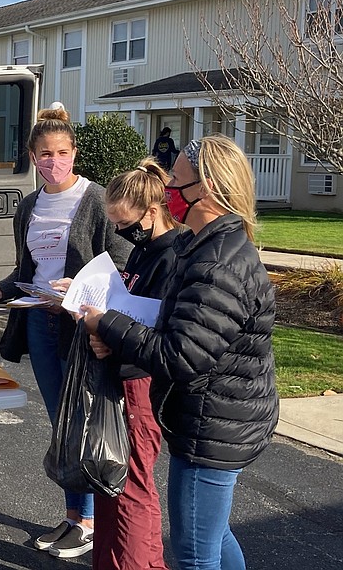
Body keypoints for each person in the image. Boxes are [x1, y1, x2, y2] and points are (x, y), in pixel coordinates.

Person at [81, 135, 279, 570]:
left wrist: (107, 324)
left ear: (205, 189)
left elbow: (181, 356)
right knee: (213, 535)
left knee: (193, 551)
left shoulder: (218, 263)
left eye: (177, 181)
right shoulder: (203, 246)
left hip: (214, 427)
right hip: (216, 416)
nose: (169, 186)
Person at [0, 104, 132, 559]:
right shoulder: (28, 206)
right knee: (61, 423)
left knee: (86, 420)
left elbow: (121, 265)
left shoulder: (98, 200)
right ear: (33, 156)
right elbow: (28, 269)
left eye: (62, 151)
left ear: (74, 153)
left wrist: (77, 291)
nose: (54, 160)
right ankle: (74, 516)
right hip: (40, 322)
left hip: (81, 327)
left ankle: (94, 522)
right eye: (45, 153)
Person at [89, 158, 180, 570]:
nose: (122, 232)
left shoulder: (172, 257)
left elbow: (160, 329)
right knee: (110, 483)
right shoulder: (144, 253)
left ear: (152, 210)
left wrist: (109, 329)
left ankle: (138, 564)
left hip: (142, 382)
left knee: (132, 489)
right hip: (124, 372)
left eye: (125, 223)